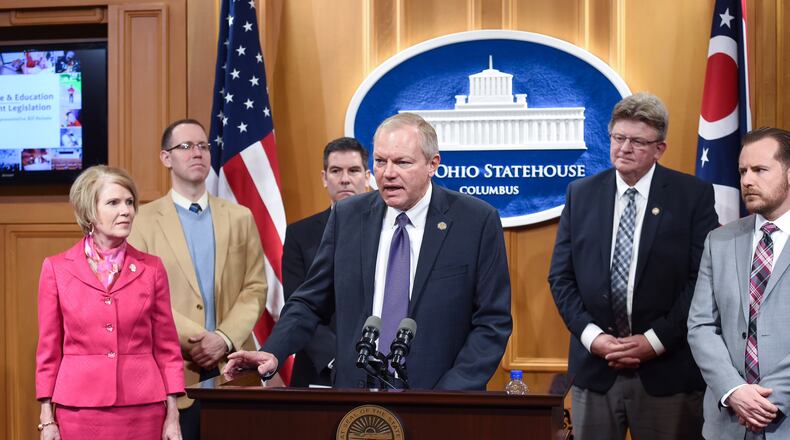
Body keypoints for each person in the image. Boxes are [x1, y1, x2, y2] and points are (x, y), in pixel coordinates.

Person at [225, 113, 512, 390]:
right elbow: (310, 302)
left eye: (402, 162)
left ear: (432, 164)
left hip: (440, 400)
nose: (388, 173)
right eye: (380, 161)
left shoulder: (475, 221)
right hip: (355, 397)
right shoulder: (348, 216)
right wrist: (274, 351)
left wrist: (448, 396)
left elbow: (492, 323)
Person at [548, 92, 719, 439]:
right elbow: (561, 278)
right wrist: (594, 338)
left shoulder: (692, 196)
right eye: (618, 137)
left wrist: (653, 341)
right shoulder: (580, 194)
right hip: (595, 370)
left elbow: (701, 281)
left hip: (667, 371)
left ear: (660, 148)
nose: (624, 148)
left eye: (638, 141)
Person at [128, 119, 267, 440]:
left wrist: (223, 337)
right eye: (186, 146)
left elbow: (256, 287)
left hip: (232, 373)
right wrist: (199, 339)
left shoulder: (240, 217)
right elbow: (141, 293)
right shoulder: (143, 221)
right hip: (172, 376)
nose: (197, 153)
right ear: (166, 158)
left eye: (203, 146)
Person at [35, 165, 183, 440]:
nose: (126, 210)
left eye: (129, 202)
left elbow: (167, 348)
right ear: (89, 211)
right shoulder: (56, 269)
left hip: (143, 410)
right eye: (113, 203)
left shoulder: (152, 268)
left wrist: (172, 416)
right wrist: (47, 419)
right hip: (79, 411)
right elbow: (48, 350)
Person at [688, 127, 790, 439]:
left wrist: (770, 401)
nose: (747, 180)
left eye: (760, 170)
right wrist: (733, 390)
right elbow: (700, 325)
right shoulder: (718, 241)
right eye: (743, 170)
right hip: (727, 423)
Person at [282, 136, 370, 387]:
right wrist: (338, 358)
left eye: (353, 170)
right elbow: (297, 303)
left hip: (377, 367)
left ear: (367, 177)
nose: (345, 179)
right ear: (324, 178)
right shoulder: (300, 234)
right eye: (336, 171)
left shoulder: (390, 229)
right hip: (317, 369)